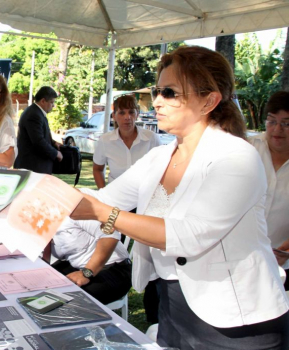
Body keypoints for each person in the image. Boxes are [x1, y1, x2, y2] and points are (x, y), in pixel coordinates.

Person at [71, 46, 289, 349]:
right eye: (158, 90)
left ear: (209, 100)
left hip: (237, 321)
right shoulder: (159, 157)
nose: (157, 102)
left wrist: (104, 214)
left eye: (170, 93)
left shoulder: (236, 156)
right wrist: (26, 192)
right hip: (174, 306)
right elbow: (105, 196)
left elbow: (189, 235)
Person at [248, 91, 289, 290]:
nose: (277, 130)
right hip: (237, 256)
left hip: (282, 264)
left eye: (286, 123)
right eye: (272, 121)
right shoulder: (248, 149)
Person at [51, 218, 131, 305]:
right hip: (78, 266)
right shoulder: (40, 218)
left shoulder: (75, 211)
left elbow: (110, 235)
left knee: (67, 300)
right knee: (41, 284)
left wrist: (86, 273)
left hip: (112, 269)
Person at [93, 94, 161, 188]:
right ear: (114, 116)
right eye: (121, 113)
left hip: (144, 196)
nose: (127, 117)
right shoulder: (105, 140)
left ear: (137, 114)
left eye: (131, 112)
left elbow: (161, 170)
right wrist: (103, 193)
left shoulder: (151, 138)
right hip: (115, 198)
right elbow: (97, 169)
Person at [14, 86, 63, 174]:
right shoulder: (34, 115)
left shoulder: (37, 113)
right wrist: (56, 153)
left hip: (35, 167)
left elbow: (40, 135)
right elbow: (38, 141)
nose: (53, 105)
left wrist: (53, 142)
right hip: (33, 168)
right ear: (43, 101)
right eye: (51, 102)